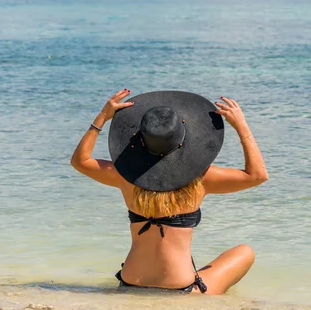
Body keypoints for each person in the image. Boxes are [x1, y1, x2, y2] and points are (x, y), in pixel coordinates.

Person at [71, 89, 268, 295]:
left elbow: (80, 161)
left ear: (141, 140)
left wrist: (102, 117)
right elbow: (258, 175)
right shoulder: (201, 179)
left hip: (130, 284)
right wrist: (241, 127)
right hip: (181, 289)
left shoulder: (125, 176)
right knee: (245, 252)